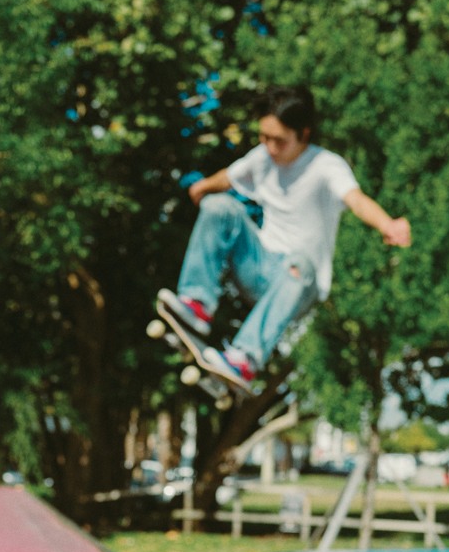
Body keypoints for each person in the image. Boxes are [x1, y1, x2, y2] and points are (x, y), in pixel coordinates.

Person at [159, 84, 411, 388]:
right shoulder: (262, 157)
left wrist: (387, 224)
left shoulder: (326, 166)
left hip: (299, 285)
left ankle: (245, 358)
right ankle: (197, 304)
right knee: (219, 207)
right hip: (258, 268)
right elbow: (230, 177)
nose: (270, 148)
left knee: (299, 265)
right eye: (264, 137)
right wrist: (203, 187)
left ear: (303, 134)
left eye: (279, 141)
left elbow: (356, 199)